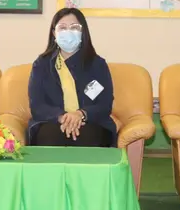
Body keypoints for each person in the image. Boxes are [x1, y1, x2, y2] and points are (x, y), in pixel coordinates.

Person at [27, 8, 116, 147]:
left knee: (88, 137)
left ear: (82, 32)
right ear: (54, 33)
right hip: (52, 122)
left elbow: (105, 104)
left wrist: (80, 114)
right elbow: (37, 105)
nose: (68, 32)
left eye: (74, 27)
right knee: (50, 137)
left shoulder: (97, 64)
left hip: (91, 122)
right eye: (62, 28)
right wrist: (63, 117)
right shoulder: (41, 64)